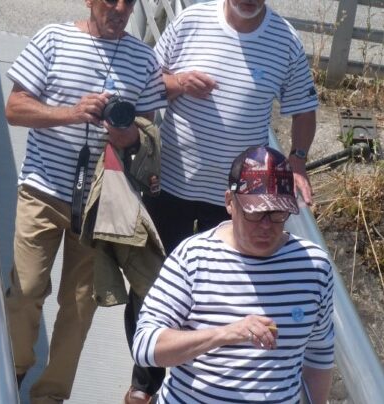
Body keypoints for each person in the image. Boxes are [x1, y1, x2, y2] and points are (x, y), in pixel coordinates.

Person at [3, 0, 167, 402]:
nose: (120, 9)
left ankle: (49, 396)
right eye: (110, 0)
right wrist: (73, 113)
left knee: (80, 305)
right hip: (43, 190)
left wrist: (129, 135)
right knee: (26, 289)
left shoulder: (144, 60)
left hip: (101, 201)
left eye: (129, 2)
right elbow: (14, 108)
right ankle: (11, 371)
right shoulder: (53, 39)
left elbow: (147, 130)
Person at [133, 146, 334, 403]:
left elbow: (319, 353)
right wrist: (226, 334)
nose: (266, 225)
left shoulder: (314, 267)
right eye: (254, 212)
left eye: (277, 213)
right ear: (230, 202)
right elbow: (145, 345)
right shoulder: (193, 256)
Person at [143, 0, 319, 255]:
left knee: (224, 274)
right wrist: (179, 82)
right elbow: (147, 83)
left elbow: (304, 108)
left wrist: (298, 161)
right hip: (171, 183)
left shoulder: (286, 40)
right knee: (158, 268)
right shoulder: (189, 21)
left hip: (240, 194)